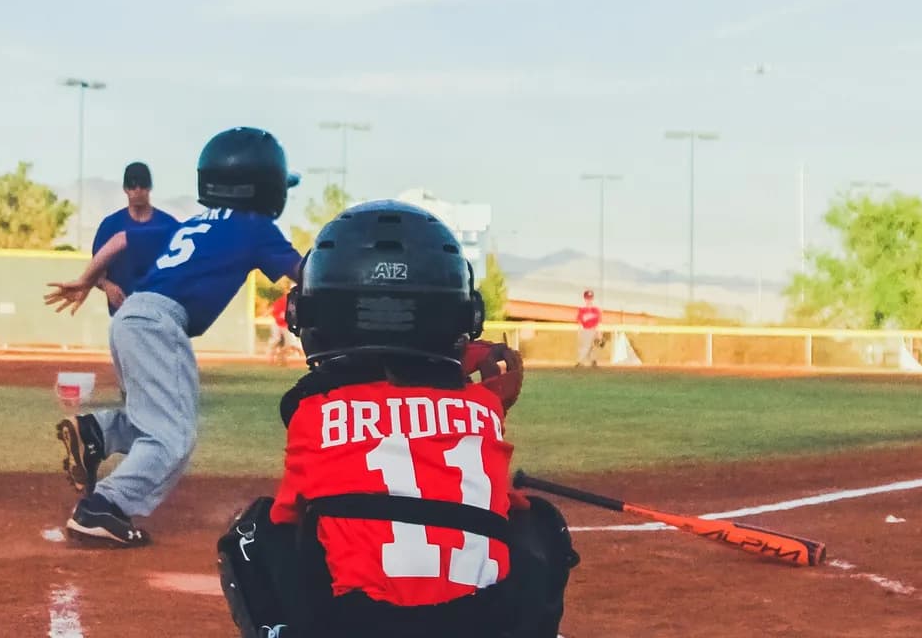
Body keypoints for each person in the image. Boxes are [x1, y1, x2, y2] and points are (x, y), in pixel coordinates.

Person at [216, 201, 576, 637]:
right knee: (534, 519)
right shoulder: (485, 409)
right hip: (483, 623)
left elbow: (288, 520)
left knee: (254, 531)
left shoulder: (312, 413)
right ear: (464, 317)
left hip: (352, 624)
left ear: (311, 316)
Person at [45, 126, 306, 548]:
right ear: (265, 188)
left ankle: (98, 433)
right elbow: (305, 274)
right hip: (159, 323)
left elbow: (121, 240)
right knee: (172, 436)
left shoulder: (198, 222)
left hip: (131, 315)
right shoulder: (255, 226)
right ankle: (103, 508)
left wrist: (85, 280)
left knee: (155, 416)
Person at [90, 162, 180, 313]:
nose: (138, 190)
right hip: (123, 314)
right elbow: (95, 272)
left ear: (149, 187)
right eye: (132, 185)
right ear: (125, 189)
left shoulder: (168, 226)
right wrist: (107, 286)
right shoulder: (110, 225)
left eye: (143, 184)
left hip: (160, 314)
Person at [574, 291, 603, 369]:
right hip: (586, 330)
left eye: (590, 298)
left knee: (595, 346)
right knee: (585, 346)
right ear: (585, 299)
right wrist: (579, 331)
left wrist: (599, 333)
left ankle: (593, 361)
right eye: (587, 298)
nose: (589, 300)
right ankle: (580, 362)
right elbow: (580, 322)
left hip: (595, 330)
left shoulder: (596, 310)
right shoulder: (582, 310)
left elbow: (598, 322)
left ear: (592, 299)